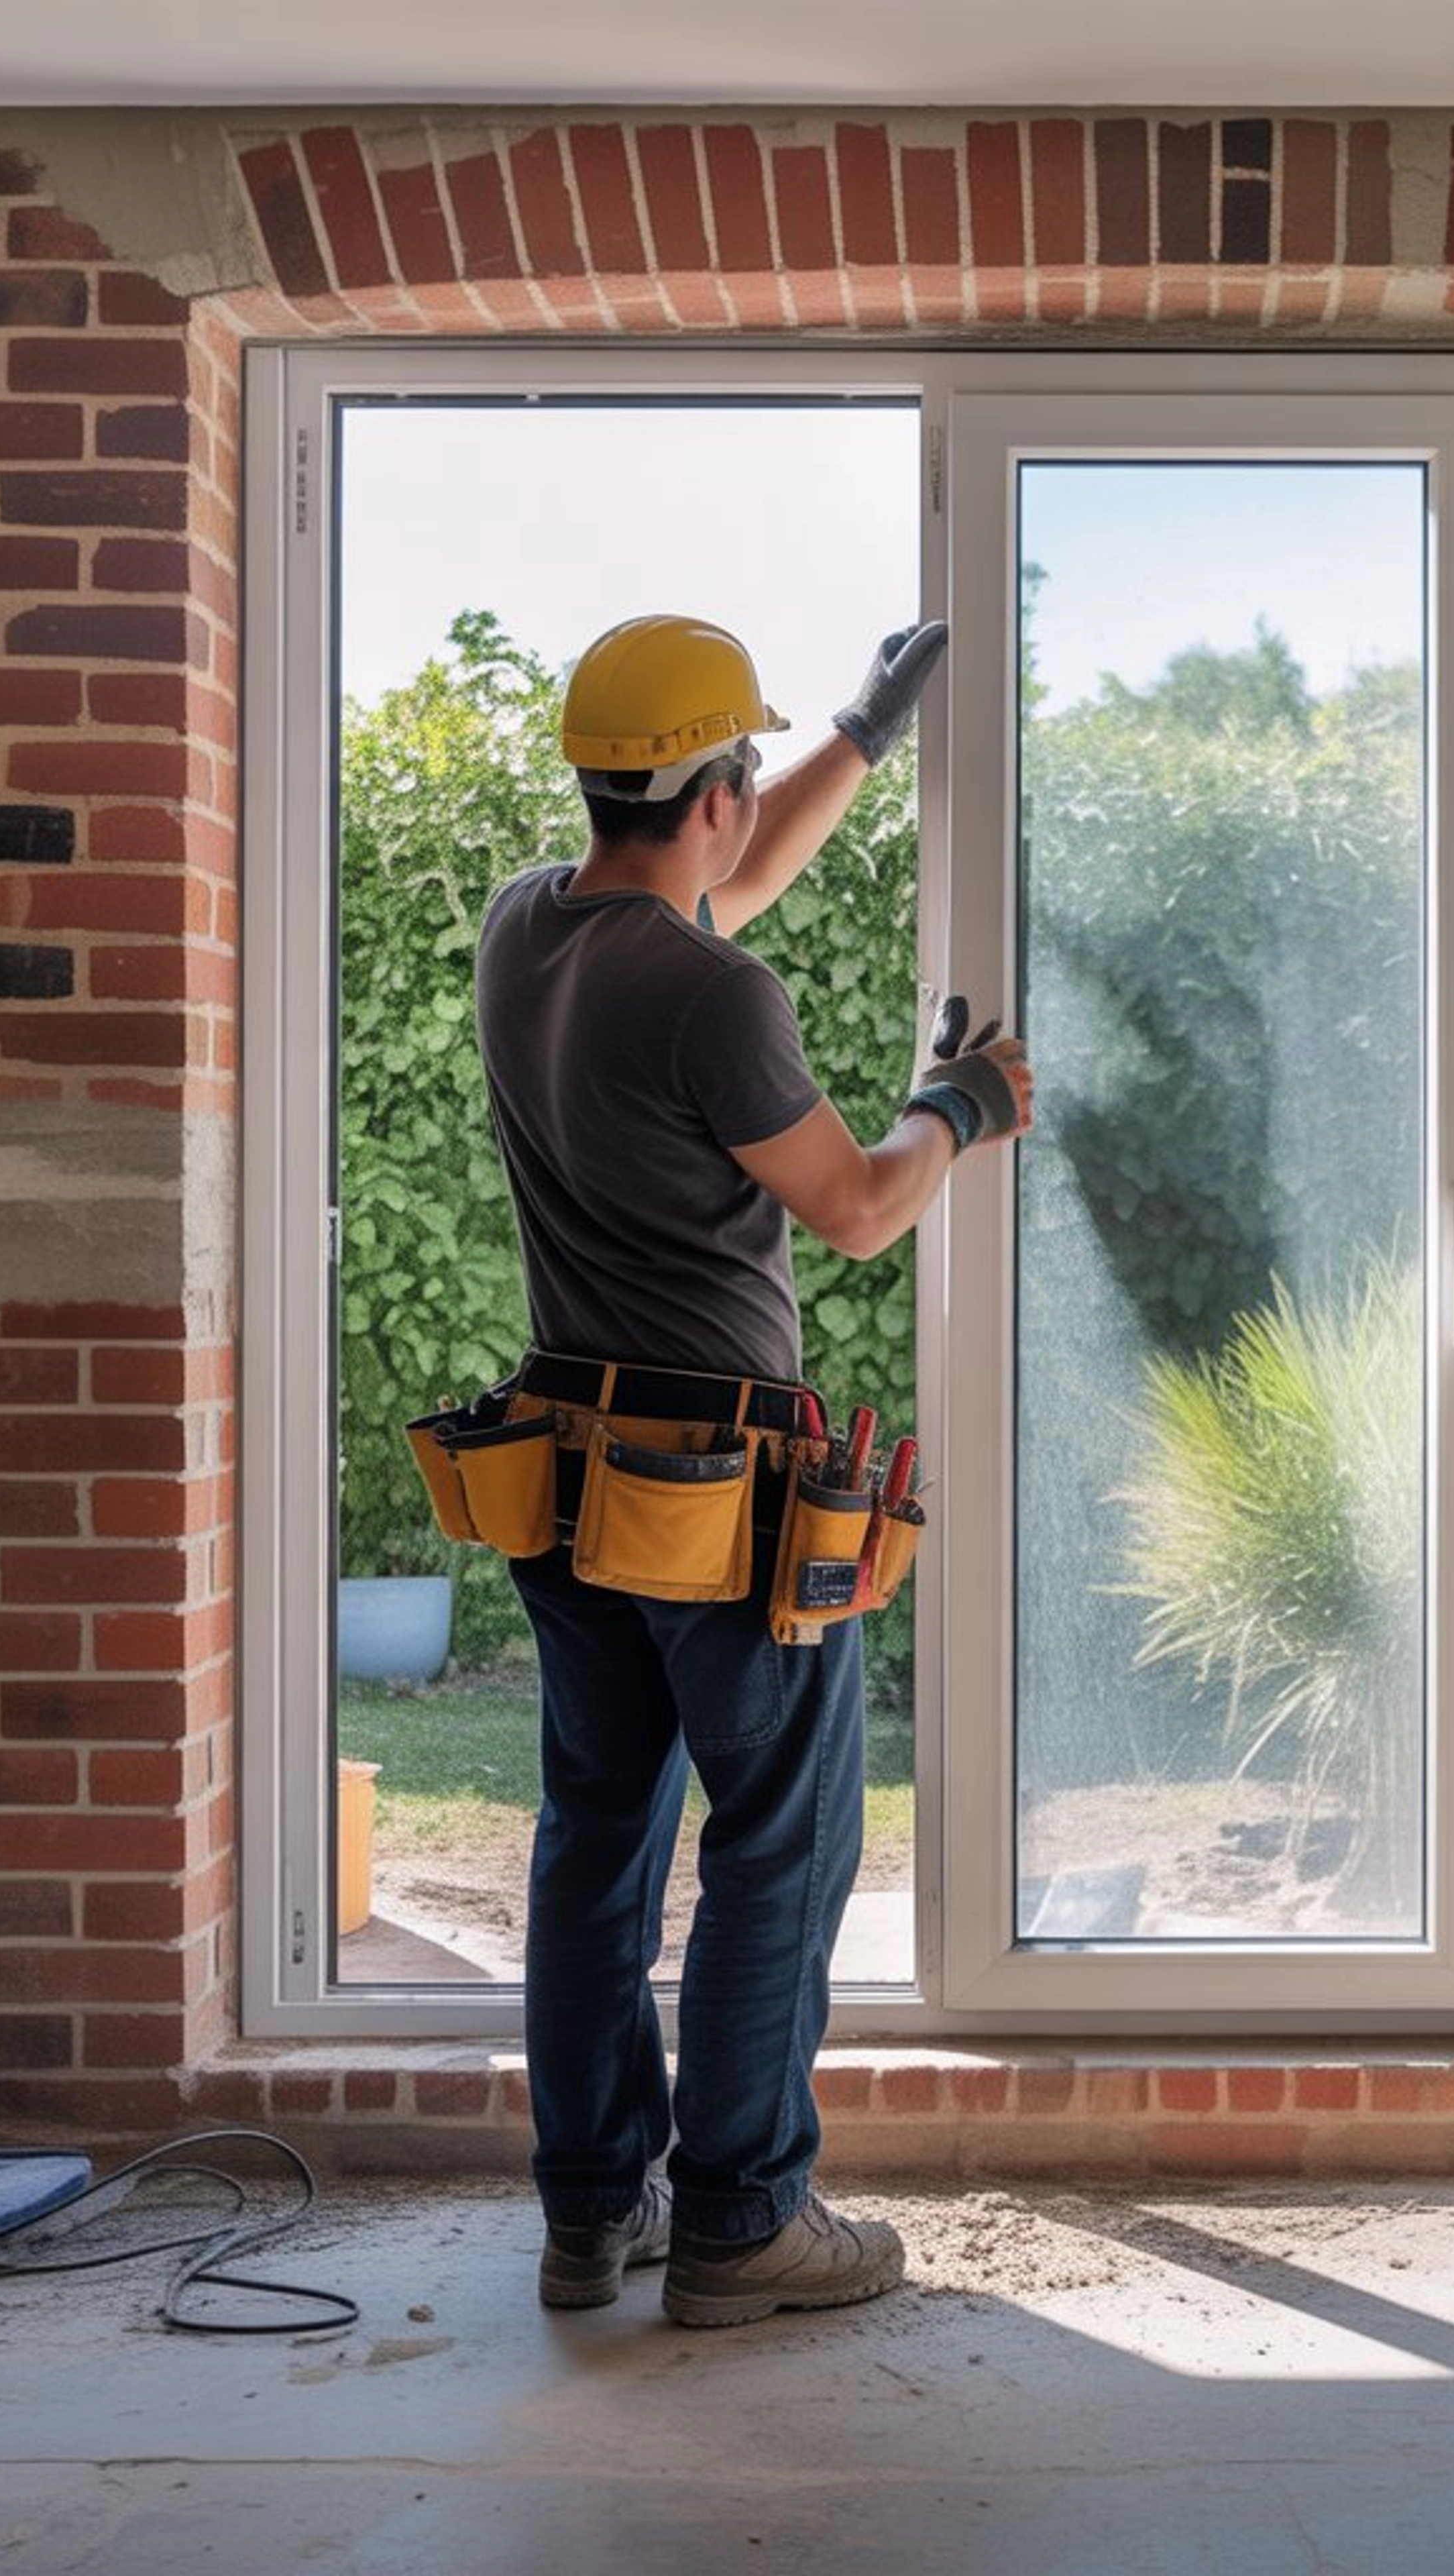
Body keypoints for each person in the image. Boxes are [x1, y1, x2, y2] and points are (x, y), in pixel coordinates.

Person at [472, 612, 1029, 2326]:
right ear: (712, 784)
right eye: (747, 772)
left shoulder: (528, 930)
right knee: (779, 1846)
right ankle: (739, 2223)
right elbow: (859, 1209)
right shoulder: (716, 997)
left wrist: (862, 730)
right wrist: (962, 1109)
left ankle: (594, 2217)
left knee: (592, 1845)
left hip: (566, 1464)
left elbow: (727, 876)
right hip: (719, 1488)